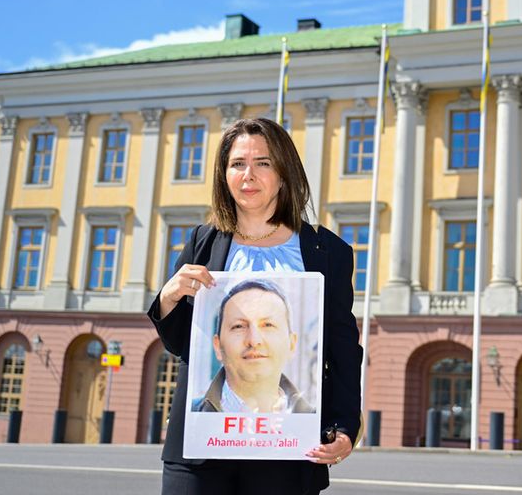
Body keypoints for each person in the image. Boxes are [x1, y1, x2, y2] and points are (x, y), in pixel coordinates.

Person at [149, 117, 362, 495]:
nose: (249, 175)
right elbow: (184, 346)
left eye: (263, 163)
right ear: (224, 175)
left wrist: (345, 428)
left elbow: (343, 349)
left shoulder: (327, 251)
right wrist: (168, 298)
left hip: (287, 447)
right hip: (200, 451)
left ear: (284, 173)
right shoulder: (204, 241)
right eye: (237, 164)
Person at [196, 278, 314, 414]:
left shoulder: (318, 424)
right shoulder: (189, 417)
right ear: (217, 346)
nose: (253, 340)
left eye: (268, 325)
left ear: (291, 344)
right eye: (238, 326)